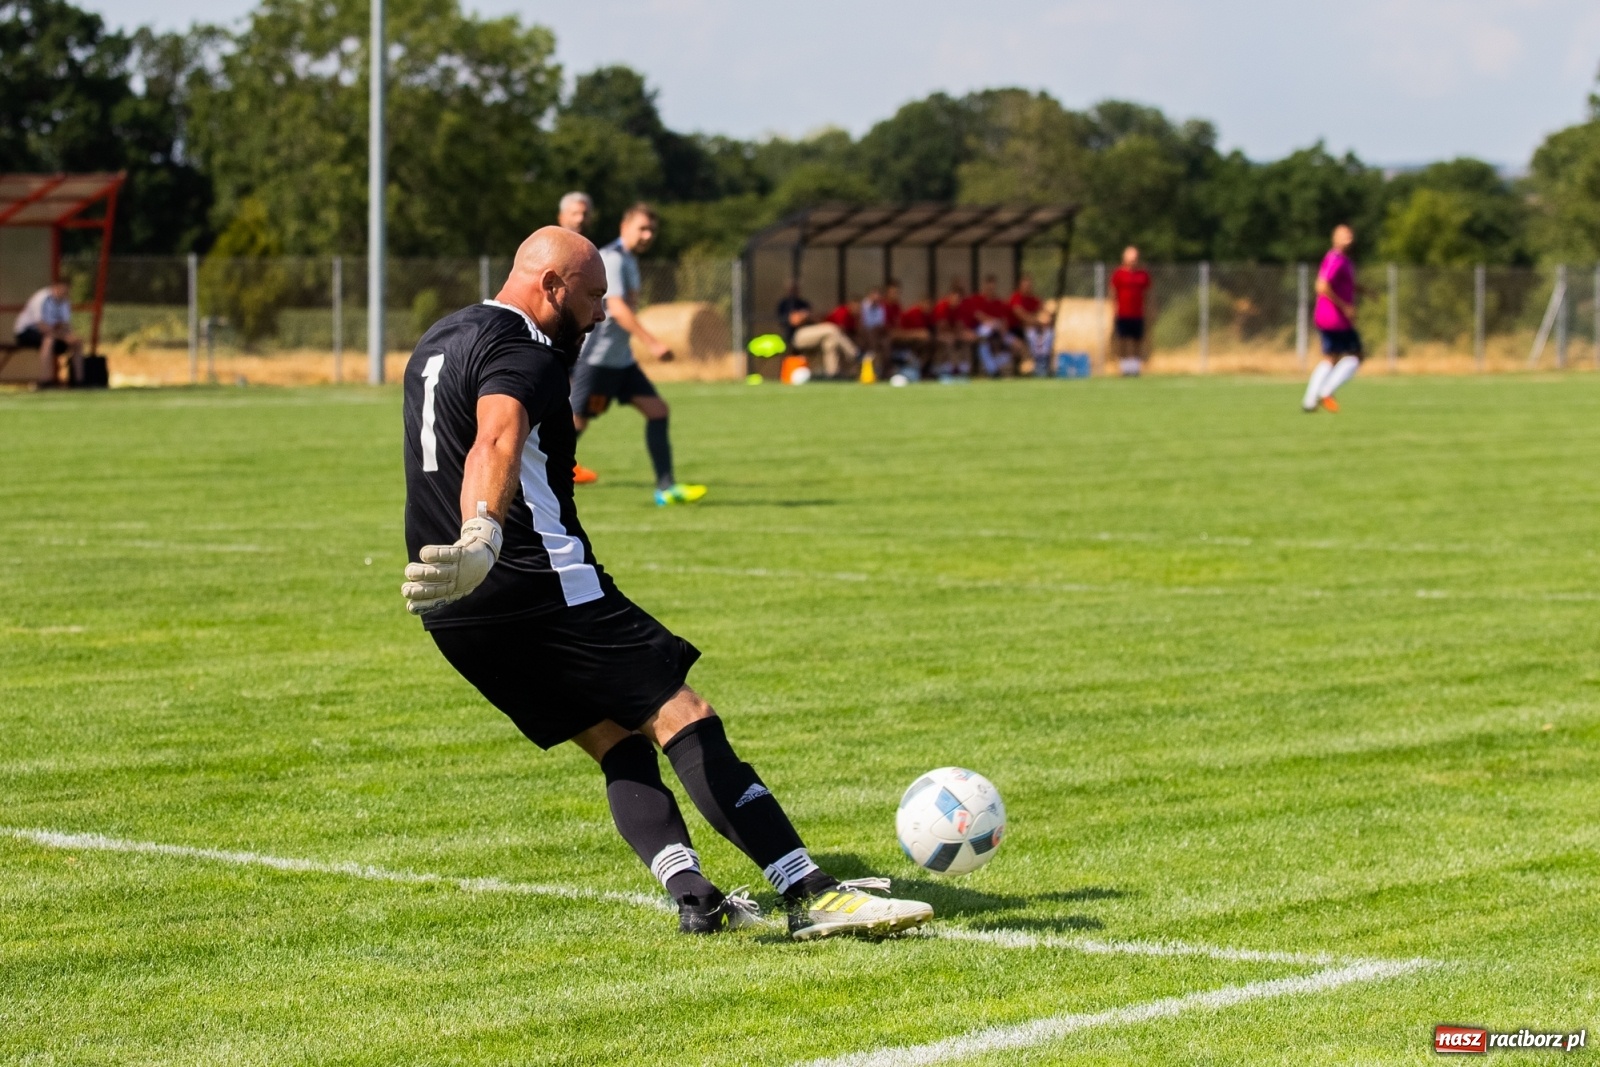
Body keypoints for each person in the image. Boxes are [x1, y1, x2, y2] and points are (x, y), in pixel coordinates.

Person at [399, 226, 932, 939]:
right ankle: (809, 889)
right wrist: (484, 532)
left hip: (452, 607)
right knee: (682, 712)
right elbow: (496, 436)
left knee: (615, 737)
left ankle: (694, 895)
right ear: (550, 285)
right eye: (591, 298)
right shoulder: (525, 351)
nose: (597, 315)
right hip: (533, 578)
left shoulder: (439, 337)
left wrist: (468, 554)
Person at [570, 203, 706, 506]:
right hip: (599, 361)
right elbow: (616, 310)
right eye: (642, 228)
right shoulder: (613, 258)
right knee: (575, 423)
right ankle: (528, 478)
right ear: (624, 226)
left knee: (658, 411)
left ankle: (665, 488)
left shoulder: (629, 259)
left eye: (652, 231)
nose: (647, 235)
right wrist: (653, 343)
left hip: (622, 361)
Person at [1302, 224, 1362, 413]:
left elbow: (1343, 284)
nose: (1349, 238)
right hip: (1334, 317)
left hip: (1329, 317)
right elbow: (1322, 285)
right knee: (1356, 355)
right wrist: (1345, 306)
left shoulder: (1344, 260)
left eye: (1350, 235)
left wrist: (1363, 290)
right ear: (1334, 238)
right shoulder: (1335, 259)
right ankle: (1326, 391)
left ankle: (1310, 401)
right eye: (1344, 235)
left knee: (1331, 358)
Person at [776, 280, 859, 378]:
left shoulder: (804, 303)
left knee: (830, 342)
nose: (794, 290)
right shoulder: (784, 304)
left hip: (812, 334)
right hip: (796, 336)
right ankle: (856, 354)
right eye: (792, 288)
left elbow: (816, 319)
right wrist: (802, 317)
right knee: (831, 328)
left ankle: (832, 374)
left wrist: (808, 316)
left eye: (796, 288)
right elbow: (793, 321)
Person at [15, 279, 82, 387]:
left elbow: (65, 325)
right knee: (49, 340)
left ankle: (78, 382)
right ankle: (45, 381)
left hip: (52, 334)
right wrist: (64, 338)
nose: (64, 293)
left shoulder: (65, 302)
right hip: (26, 332)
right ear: (55, 287)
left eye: (66, 291)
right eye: (62, 290)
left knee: (77, 343)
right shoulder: (42, 298)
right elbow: (41, 327)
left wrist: (71, 337)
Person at [1109, 247, 1151, 377]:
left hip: (1138, 314)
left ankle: (1135, 368)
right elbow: (1112, 292)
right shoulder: (1119, 274)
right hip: (1122, 314)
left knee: (1137, 341)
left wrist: (1151, 311)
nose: (1134, 261)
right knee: (1122, 341)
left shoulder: (1143, 275)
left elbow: (1149, 294)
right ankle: (1124, 368)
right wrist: (1112, 310)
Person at [1010, 276, 1054, 376]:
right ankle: (1038, 363)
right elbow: (1022, 317)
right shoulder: (1016, 298)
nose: (1027, 288)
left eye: (1029, 286)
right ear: (1020, 286)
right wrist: (1038, 321)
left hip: (1035, 329)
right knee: (1031, 333)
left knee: (1049, 333)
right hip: (1017, 331)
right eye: (1025, 286)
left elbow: (1045, 313)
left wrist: (1045, 319)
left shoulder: (1035, 299)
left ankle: (1043, 362)